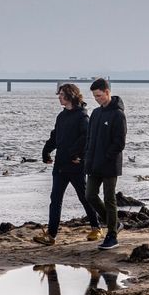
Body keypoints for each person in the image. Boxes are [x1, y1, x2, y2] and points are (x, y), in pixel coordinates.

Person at [33, 83, 100, 246]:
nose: (59, 97)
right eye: (59, 94)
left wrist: (76, 154)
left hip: (75, 165)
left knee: (84, 197)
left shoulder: (82, 116)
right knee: (55, 200)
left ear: (71, 95)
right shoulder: (61, 116)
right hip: (60, 165)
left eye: (62, 94)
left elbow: (86, 138)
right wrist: (46, 151)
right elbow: (55, 137)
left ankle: (96, 227)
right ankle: (51, 235)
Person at [84, 78, 126, 251]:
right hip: (93, 163)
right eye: (95, 97)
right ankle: (114, 223)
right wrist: (87, 157)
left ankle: (112, 236)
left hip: (110, 164)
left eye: (100, 96)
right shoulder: (95, 113)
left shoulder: (118, 114)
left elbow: (119, 142)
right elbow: (90, 138)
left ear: (107, 92)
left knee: (110, 199)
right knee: (90, 195)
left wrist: (106, 156)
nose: (97, 99)